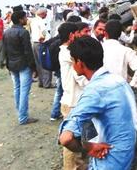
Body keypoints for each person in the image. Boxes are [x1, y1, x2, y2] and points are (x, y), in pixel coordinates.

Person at [59, 36, 137, 170]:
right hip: (125, 154)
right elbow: (91, 120)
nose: (72, 64)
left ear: (80, 62)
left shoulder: (95, 91)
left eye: (73, 60)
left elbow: (65, 138)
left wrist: (88, 149)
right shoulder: (118, 81)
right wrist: (89, 143)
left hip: (108, 158)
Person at [58, 22, 89, 169]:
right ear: (71, 35)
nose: (80, 36)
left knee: (73, 140)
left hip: (70, 100)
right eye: (78, 33)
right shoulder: (69, 53)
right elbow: (80, 77)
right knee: (74, 142)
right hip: (74, 102)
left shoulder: (64, 51)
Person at [3, 10, 38, 125]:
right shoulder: (23, 32)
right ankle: (23, 117)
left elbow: (5, 51)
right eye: (25, 17)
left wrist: (7, 64)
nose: (26, 19)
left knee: (17, 89)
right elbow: (28, 52)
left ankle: (21, 113)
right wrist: (34, 67)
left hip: (12, 64)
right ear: (20, 19)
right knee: (23, 91)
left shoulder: (7, 32)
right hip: (23, 64)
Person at [103, 20, 137, 87]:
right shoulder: (126, 51)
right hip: (122, 89)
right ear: (120, 34)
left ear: (105, 33)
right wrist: (131, 85)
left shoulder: (99, 49)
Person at [30, 8, 53, 88]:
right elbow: (43, 32)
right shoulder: (42, 21)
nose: (46, 14)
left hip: (35, 43)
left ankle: (41, 82)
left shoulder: (33, 20)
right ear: (42, 14)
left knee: (38, 64)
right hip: (42, 43)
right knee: (46, 63)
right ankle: (47, 83)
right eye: (45, 13)